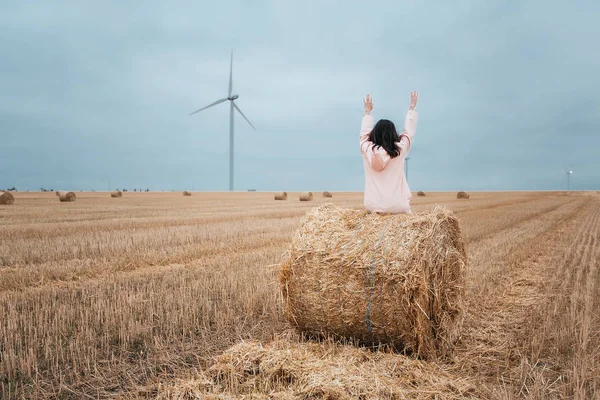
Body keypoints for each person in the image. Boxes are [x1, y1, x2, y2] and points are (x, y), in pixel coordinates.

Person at [360, 91, 419, 213]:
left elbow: (363, 136)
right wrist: (411, 108)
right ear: (393, 134)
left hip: (373, 205)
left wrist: (367, 112)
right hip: (397, 205)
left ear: (373, 134)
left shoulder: (367, 149)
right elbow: (408, 133)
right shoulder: (399, 149)